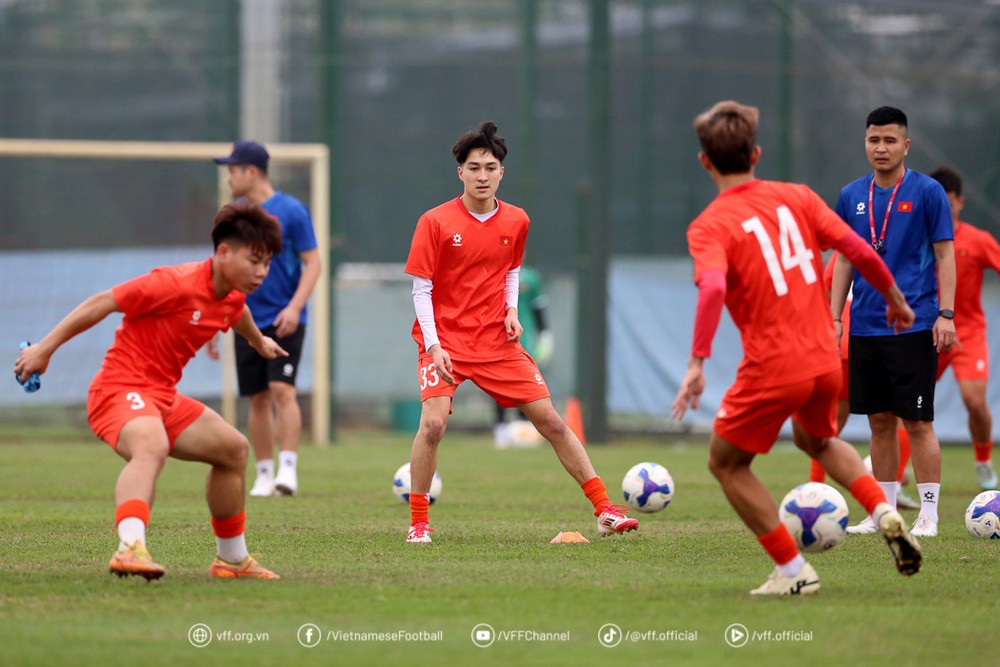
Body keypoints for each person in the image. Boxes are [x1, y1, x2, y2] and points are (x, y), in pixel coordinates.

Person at [672, 100, 921, 595]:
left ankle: (792, 572)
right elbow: (858, 249)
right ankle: (884, 510)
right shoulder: (798, 197)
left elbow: (715, 289)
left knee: (726, 464)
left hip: (775, 365)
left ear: (705, 162)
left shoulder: (709, 225)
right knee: (818, 440)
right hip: (824, 358)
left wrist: (697, 362)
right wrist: (894, 296)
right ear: (757, 154)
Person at [14, 202, 284, 580]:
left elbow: (237, 314)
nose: (261, 272)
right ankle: (129, 548)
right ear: (223, 252)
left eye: (267, 263)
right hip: (117, 389)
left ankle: (232, 560)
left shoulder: (232, 296)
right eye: (254, 260)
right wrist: (44, 348)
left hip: (161, 397)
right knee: (151, 444)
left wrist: (258, 342)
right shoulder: (173, 282)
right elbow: (102, 302)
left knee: (233, 450)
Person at [402, 121, 638, 543]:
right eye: (473, 167)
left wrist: (511, 309)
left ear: (501, 172)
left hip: (496, 340)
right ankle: (419, 523)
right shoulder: (434, 222)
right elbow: (422, 288)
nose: (482, 175)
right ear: (460, 172)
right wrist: (434, 344)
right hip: (445, 342)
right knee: (433, 425)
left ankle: (605, 510)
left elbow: (510, 268)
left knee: (551, 420)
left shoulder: (517, 220)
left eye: (490, 167)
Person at [831, 107, 957, 538]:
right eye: (873, 140)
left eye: (889, 140)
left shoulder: (928, 192)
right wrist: (834, 317)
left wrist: (946, 313)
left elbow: (945, 254)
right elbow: (844, 258)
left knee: (918, 422)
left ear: (906, 145)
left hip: (917, 323)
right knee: (878, 421)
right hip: (865, 325)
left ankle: (928, 514)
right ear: (864, 143)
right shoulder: (851, 195)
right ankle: (880, 510)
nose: (880, 148)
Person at [213, 141, 321, 497]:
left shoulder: (291, 211)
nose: (229, 177)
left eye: (233, 170)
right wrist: (216, 320)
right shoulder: (236, 218)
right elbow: (221, 273)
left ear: (252, 171)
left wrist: (294, 307)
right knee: (257, 397)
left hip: (284, 318)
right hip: (244, 319)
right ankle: (262, 474)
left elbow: (313, 262)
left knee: (282, 390)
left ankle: (287, 469)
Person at [808, 255, 921, 510]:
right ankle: (892, 488)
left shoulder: (842, 253)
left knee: (831, 424)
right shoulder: (892, 244)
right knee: (900, 417)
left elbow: (827, 291)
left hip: (841, 342)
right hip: (876, 338)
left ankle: (814, 489)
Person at [928, 166, 999, 490]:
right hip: (928, 331)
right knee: (908, 404)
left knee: (974, 400)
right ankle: (896, 478)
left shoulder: (978, 240)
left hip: (967, 331)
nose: (942, 207)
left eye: (948, 201)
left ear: (959, 201)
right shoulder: (919, 238)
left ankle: (983, 459)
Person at [492, 263, 554, 448]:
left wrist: (545, 336)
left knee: (523, 384)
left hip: (524, 340)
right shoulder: (492, 273)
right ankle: (501, 429)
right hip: (495, 340)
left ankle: (523, 428)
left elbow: (539, 309)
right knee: (496, 383)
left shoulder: (530, 278)